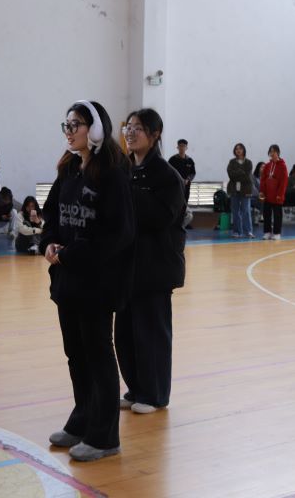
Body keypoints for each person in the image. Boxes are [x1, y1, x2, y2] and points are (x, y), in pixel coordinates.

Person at [41, 100, 134, 462]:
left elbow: (118, 233)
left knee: (98, 355)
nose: (69, 131)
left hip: (97, 282)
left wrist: (72, 254)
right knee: (76, 355)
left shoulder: (112, 173)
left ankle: (104, 436)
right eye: (66, 125)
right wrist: (49, 242)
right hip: (68, 280)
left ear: (94, 129)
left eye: (75, 124)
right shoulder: (68, 168)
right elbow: (52, 212)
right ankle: (82, 419)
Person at [116, 108, 185, 415]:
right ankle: (135, 388)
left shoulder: (167, 176)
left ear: (155, 135)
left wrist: (127, 193)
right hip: (127, 265)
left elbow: (160, 218)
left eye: (138, 128)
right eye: (128, 127)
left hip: (155, 266)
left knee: (151, 333)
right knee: (125, 334)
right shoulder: (125, 169)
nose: (131, 133)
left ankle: (155, 395)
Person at [259, 145, 288, 240]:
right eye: (270, 152)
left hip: (277, 195)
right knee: (266, 214)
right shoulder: (267, 166)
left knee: (277, 215)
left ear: (278, 152)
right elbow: (263, 179)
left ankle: (277, 233)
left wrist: (280, 194)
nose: (272, 153)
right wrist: (262, 191)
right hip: (267, 195)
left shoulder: (283, 166)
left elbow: (284, 182)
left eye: (274, 151)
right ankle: (267, 232)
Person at [226, 143, 254, 238]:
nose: (238, 150)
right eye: (236, 149)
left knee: (246, 210)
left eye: (240, 149)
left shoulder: (248, 162)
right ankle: (237, 232)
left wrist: (237, 173)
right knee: (235, 211)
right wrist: (240, 172)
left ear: (244, 150)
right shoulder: (231, 162)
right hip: (234, 189)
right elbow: (231, 174)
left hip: (246, 189)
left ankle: (248, 231)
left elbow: (247, 176)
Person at [168, 139, 196, 205]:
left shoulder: (190, 160)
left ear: (186, 148)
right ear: (177, 147)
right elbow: (168, 172)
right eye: (180, 146)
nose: (182, 148)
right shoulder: (172, 160)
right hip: (175, 186)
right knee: (175, 203)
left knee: (184, 203)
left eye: (183, 146)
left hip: (186, 186)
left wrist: (188, 179)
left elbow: (193, 173)